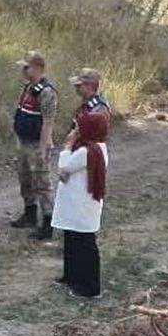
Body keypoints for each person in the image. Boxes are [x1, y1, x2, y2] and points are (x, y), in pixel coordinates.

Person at [53, 112, 109, 299]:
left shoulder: (87, 151)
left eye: (78, 127)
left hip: (81, 204)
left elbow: (65, 166)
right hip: (75, 202)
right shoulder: (93, 147)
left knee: (84, 244)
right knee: (71, 239)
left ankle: (90, 286)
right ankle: (72, 276)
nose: (75, 130)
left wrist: (66, 147)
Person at [11, 51, 59, 239]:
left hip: (36, 144)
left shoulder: (46, 92)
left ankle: (47, 223)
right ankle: (29, 214)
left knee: (42, 183)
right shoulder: (29, 87)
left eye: (27, 67)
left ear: (38, 68)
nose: (23, 70)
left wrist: (44, 146)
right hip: (23, 141)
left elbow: (48, 121)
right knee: (25, 180)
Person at [67, 67, 111, 140]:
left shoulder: (99, 107)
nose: (76, 88)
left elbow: (100, 132)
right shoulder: (86, 102)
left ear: (89, 86)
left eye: (79, 85)